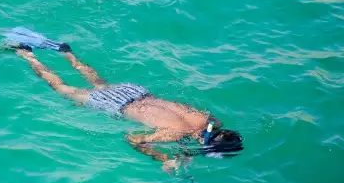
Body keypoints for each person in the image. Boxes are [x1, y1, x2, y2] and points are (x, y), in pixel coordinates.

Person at [15, 45, 243, 172]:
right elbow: (133, 139)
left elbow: (207, 124)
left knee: (100, 82)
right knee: (62, 89)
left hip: (136, 91)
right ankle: (28, 55)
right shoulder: (175, 134)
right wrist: (163, 158)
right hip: (116, 104)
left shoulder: (206, 119)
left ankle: (68, 53)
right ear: (206, 142)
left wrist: (186, 149)